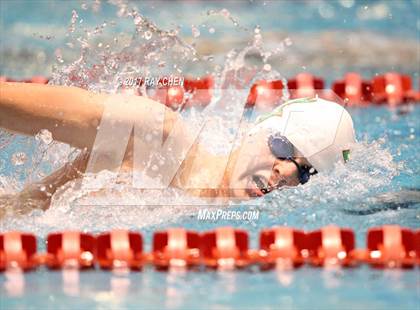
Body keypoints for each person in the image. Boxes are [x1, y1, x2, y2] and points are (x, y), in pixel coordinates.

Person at [0, 82, 356, 212]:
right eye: (283, 147)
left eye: (305, 170)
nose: (287, 171)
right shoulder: (154, 135)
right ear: (257, 130)